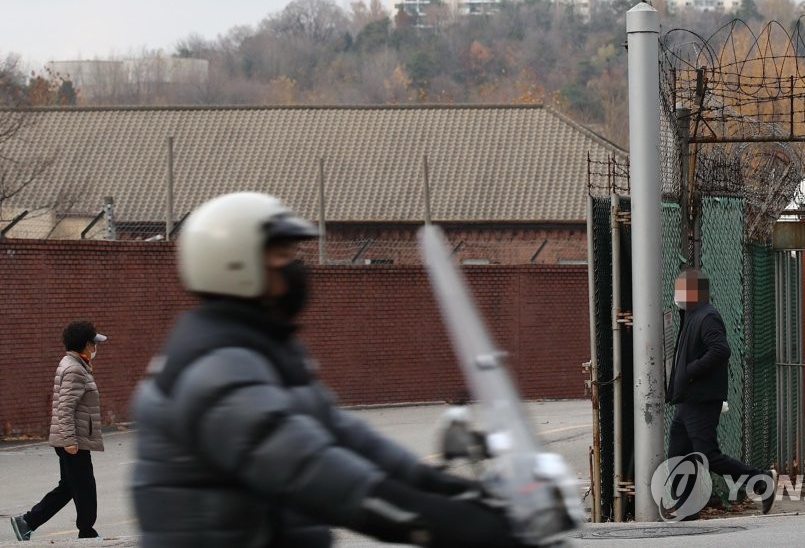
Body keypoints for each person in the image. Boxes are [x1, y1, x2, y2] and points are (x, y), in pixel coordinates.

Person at [130, 192, 524, 547]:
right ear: (236, 265)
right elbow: (314, 472)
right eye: (282, 255)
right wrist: (445, 523)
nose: (296, 268)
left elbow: (346, 439)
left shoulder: (263, 349)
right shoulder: (216, 370)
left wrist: (446, 488)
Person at [666, 267, 777, 515]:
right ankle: (688, 507)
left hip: (701, 400)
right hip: (688, 400)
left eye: (682, 290)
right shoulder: (692, 314)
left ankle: (761, 481)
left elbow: (720, 350)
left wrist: (690, 370)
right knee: (679, 454)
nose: (677, 295)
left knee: (707, 455)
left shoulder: (707, 317)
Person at [11, 321, 107, 541]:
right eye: (93, 343)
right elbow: (65, 407)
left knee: (69, 486)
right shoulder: (75, 368)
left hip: (72, 437)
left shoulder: (75, 364)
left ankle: (27, 521)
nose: (95, 348)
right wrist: (70, 440)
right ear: (85, 344)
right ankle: (87, 532)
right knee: (84, 487)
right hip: (73, 439)